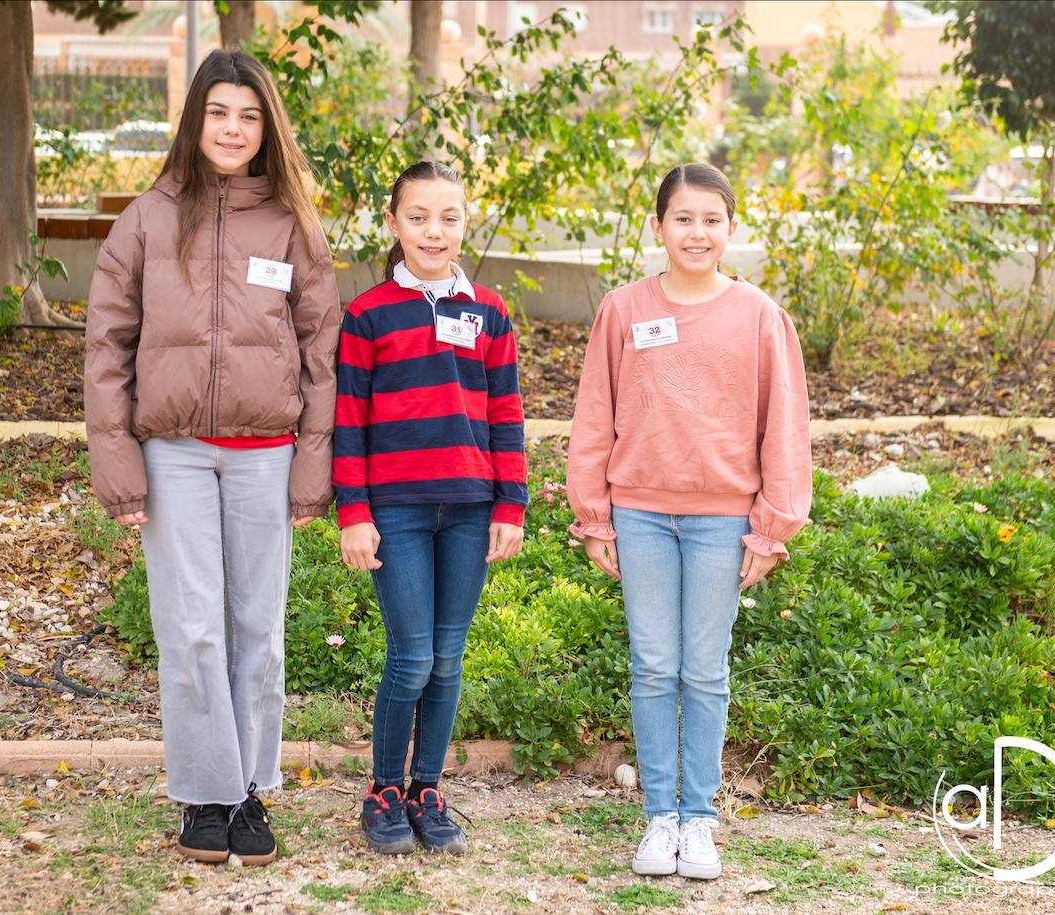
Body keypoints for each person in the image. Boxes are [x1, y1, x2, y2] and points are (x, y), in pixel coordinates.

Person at [83, 48, 339, 866]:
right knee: (191, 627)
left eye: (249, 115)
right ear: (194, 121)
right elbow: (107, 345)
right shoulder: (148, 218)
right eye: (218, 113)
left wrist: (312, 462)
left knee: (257, 629)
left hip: (266, 453)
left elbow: (321, 350)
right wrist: (117, 456)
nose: (232, 129)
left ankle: (250, 788)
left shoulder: (293, 221)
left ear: (267, 127)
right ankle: (204, 794)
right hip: (176, 454)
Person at [566, 163, 811, 880]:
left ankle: (699, 819)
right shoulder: (622, 307)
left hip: (720, 518)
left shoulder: (760, 316)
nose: (696, 233)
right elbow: (594, 415)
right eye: (682, 218)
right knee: (652, 666)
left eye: (711, 220)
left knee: (703, 670)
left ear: (731, 229)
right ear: (657, 226)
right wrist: (595, 516)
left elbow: (784, 429)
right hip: (639, 511)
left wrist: (771, 528)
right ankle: (659, 818)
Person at [334, 161, 528, 856]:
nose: (433, 230)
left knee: (448, 657)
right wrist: (352, 511)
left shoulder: (489, 312)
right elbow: (348, 421)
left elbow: (506, 414)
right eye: (418, 217)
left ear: (465, 223)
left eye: (448, 217)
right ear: (393, 224)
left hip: (472, 509)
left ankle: (426, 788)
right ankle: (383, 788)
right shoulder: (367, 314)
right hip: (398, 512)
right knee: (411, 657)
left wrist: (513, 503)